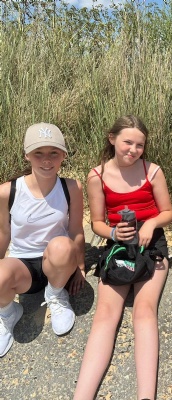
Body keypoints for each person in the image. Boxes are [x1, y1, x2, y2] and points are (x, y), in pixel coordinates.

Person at [74, 115, 172, 400]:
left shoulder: (152, 171)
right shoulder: (97, 176)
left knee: (144, 311)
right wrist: (114, 233)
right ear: (112, 139)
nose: (133, 149)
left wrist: (151, 223)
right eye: (127, 142)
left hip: (152, 245)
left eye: (139, 145)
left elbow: (168, 213)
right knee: (105, 315)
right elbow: (96, 223)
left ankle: (146, 397)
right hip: (118, 245)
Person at [0, 122, 85, 357]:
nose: (46, 160)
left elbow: (76, 230)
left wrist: (79, 267)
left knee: (61, 245)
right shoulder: (7, 191)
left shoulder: (71, 187)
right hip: (22, 264)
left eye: (54, 153)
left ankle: (56, 295)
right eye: (38, 153)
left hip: (57, 263)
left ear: (63, 155)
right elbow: (3, 233)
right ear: (27, 155)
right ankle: (8, 313)